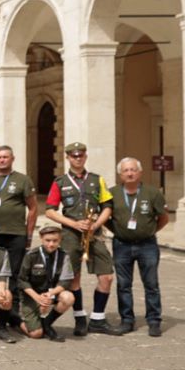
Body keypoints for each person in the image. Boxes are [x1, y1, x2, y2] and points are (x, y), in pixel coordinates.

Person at [45, 141, 117, 335]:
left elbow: (107, 206)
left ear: (85, 157)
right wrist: (73, 223)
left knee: (107, 276)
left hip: (94, 234)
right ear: (68, 158)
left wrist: (95, 225)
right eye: (74, 156)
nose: (77, 159)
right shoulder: (60, 182)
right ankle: (80, 318)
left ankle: (98, 319)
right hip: (71, 234)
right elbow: (50, 211)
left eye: (80, 155)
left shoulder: (96, 179)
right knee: (73, 278)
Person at [0, 145, 37, 333]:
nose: (2, 160)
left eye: (5, 157)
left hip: (15, 233)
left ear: (12, 158)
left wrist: (29, 234)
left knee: (15, 272)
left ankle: (13, 310)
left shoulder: (23, 180)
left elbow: (33, 208)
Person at [109, 156, 169, 337]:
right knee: (123, 285)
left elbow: (163, 218)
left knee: (151, 284)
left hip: (147, 245)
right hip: (121, 245)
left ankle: (154, 321)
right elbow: (106, 217)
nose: (130, 173)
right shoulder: (112, 194)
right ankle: (127, 320)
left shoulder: (152, 193)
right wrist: (117, 230)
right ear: (120, 174)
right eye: (126, 170)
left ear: (140, 172)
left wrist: (149, 230)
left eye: (133, 170)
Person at [16, 223, 75, 342]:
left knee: (68, 297)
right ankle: (16, 321)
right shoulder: (31, 255)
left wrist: (50, 294)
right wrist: (38, 298)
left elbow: (65, 281)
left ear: (60, 240)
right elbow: (22, 280)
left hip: (51, 293)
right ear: (41, 238)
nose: (51, 244)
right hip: (32, 295)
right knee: (36, 334)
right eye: (47, 240)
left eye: (55, 241)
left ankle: (47, 324)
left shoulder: (64, 256)